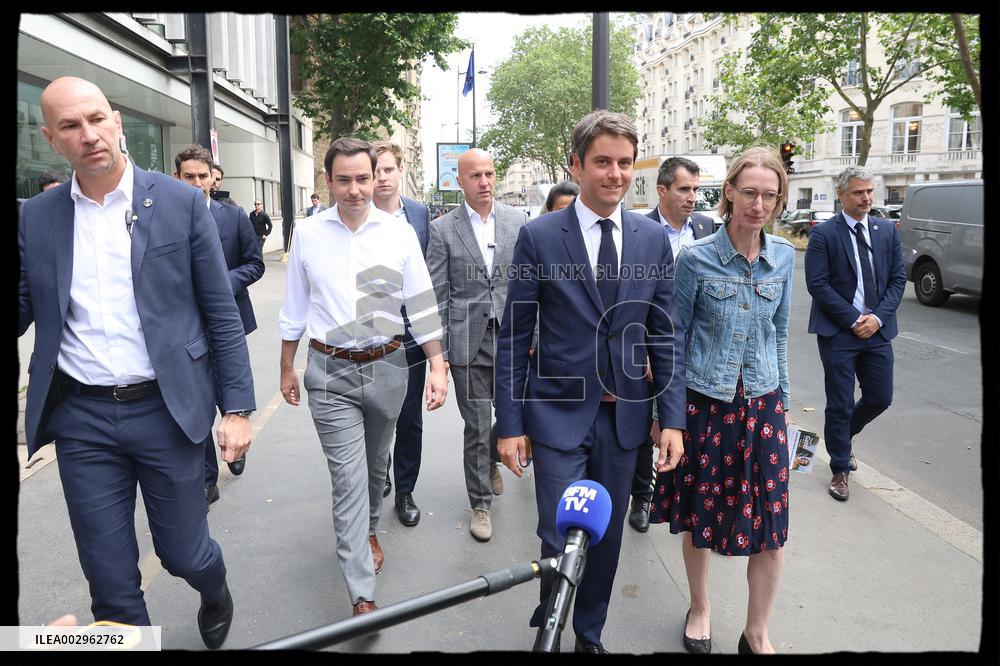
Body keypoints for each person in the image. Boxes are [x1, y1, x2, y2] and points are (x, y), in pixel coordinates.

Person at [19, 76, 254, 648]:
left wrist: (240, 408)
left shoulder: (179, 202)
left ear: (117, 122)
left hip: (167, 410)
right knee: (110, 582)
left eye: (97, 119)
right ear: (52, 140)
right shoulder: (37, 217)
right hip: (83, 418)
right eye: (71, 126)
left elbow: (220, 312)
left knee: (183, 552)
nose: (89, 135)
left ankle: (215, 587)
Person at [495, 110, 686, 653]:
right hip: (557, 414)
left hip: (623, 419)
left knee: (603, 538)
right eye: (602, 162)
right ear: (577, 166)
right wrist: (509, 425)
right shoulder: (539, 237)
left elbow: (665, 336)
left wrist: (671, 419)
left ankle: (588, 633)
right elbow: (514, 337)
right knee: (559, 532)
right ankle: (551, 627)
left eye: (625, 163)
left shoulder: (652, 240)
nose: (616, 174)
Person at [278, 137, 449, 616]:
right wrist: (287, 367)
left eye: (363, 179)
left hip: (389, 368)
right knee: (348, 477)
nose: (354, 190)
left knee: (376, 468)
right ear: (328, 182)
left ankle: (369, 527)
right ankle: (361, 591)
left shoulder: (399, 234)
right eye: (343, 180)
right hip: (329, 372)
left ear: (376, 178)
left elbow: (420, 305)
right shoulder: (308, 234)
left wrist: (437, 364)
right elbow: (294, 309)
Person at [648, 146, 796, 655]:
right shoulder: (696, 258)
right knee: (702, 518)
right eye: (750, 193)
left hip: (765, 404)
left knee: (772, 526)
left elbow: (779, 335)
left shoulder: (783, 258)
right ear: (729, 192)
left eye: (769, 196)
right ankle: (701, 606)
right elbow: (674, 339)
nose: (759, 205)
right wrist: (663, 416)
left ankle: (757, 631)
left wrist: (785, 406)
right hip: (707, 405)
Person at [426, 148, 529, 542]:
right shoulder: (442, 229)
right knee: (476, 424)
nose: (484, 182)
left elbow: (529, 286)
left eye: (489, 174)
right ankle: (481, 504)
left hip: (512, 337)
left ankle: (490, 458)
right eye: (475, 176)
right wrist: (441, 356)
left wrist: (533, 336)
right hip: (467, 341)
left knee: (517, 414)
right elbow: (437, 293)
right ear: (459, 181)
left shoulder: (518, 221)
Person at [805, 166, 905, 502]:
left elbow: (897, 280)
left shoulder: (885, 230)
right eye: (858, 193)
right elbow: (817, 284)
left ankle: (841, 438)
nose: (866, 198)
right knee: (840, 402)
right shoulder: (824, 234)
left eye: (869, 192)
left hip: (878, 329)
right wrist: (853, 319)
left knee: (880, 397)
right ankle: (839, 468)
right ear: (841, 195)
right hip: (838, 331)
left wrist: (876, 318)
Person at [173, 144, 264, 507]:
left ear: (214, 178)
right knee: (197, 401)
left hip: (227, 322)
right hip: (185, 328)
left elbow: (254, 264)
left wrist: (220, 283)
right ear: (176, 178)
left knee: (227, 390)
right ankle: (207, 479)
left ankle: (236, 435)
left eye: (202, 176)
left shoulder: (234, 216)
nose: (196, 183)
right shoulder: (164, 218)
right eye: (188, 176)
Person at [629, 156, 716, 533]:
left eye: (696, 189)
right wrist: (645, 350)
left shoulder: (707, 228)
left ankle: (682, 495)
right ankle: (642, 496)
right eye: (684, 189)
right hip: (652, 348)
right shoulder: (637, 230)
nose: (692, 197)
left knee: (684, 425)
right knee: (644, 429)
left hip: (697, 351)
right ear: (662, 190)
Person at [371, 141, 432, 525]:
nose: (382, 178)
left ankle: (405, 489)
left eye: (389, 170)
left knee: (410, 416)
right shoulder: (354, 214)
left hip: (412, 335)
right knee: (379, 414)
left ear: (400, 170)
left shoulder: (420, 215)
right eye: (375, 171)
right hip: (369, 333)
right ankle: (381, 472)